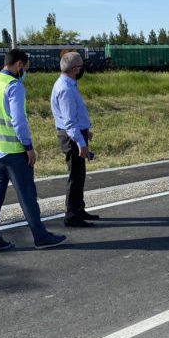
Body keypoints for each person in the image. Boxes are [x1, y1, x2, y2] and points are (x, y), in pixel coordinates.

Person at [0, 48, 66, 252]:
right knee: (27, 195)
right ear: (19, 65)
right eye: (26, 68)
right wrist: (28, 147)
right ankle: (40, 236)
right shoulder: (14, 86)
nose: (25, 72)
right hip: (15, 151)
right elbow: (19, 121)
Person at [50, 51, 99, 227]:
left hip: (76, 133)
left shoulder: (68, 84)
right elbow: (69, 121)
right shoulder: (65, 89)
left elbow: (73, 117)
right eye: (81, 65)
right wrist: (81, 142)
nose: (82, 68)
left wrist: (86, 132)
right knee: (75, 176)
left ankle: (79, 209)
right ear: (75, 69)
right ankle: (72, 215)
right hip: (71, 137)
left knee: (80, 175)